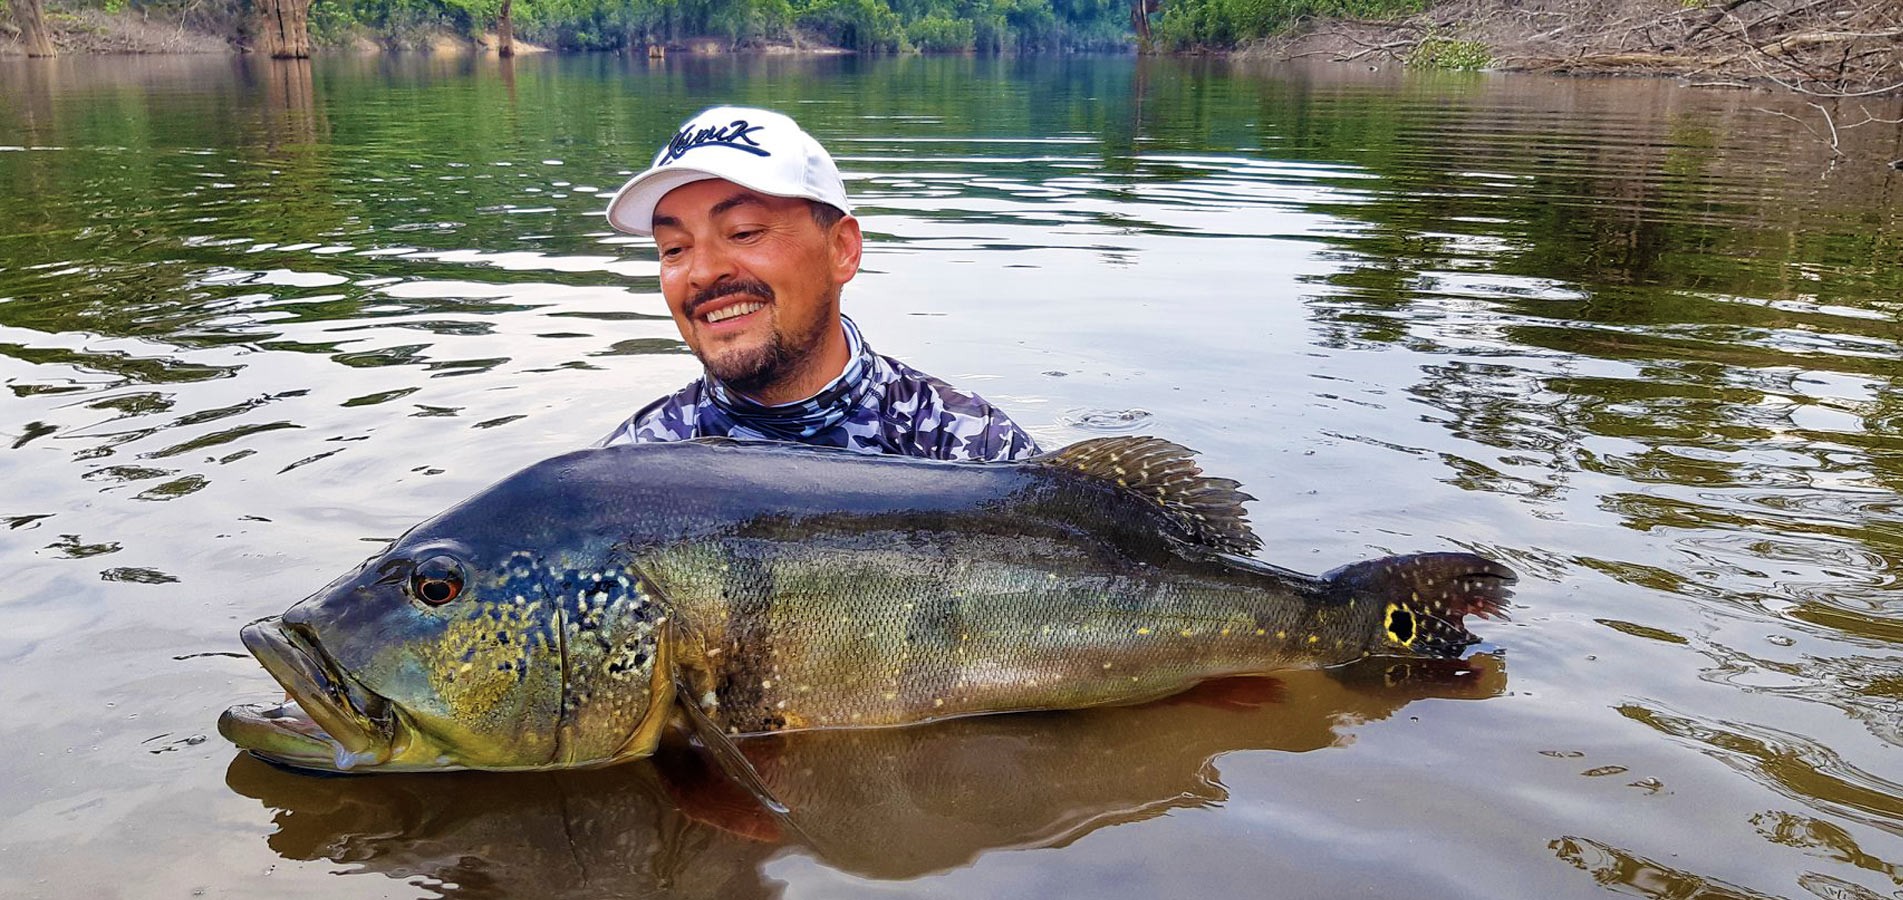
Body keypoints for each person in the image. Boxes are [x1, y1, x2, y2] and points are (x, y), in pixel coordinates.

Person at [597, 106, 1040, 462]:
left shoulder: (974, 450)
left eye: (744, 232)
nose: (703, 272)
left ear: (841, 249)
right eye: (674, 248)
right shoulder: (630, 469)